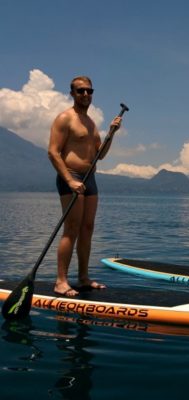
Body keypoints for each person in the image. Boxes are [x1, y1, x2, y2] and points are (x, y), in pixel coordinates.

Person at [48, 76, 122, 296]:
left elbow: (100, 155)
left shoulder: (91, 123)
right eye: (80, 91)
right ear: (72, 93)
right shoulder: (65, 118)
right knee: (71, 229)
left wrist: (111, 134)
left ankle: (83, 277)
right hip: (70, 176)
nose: (86, 95)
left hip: (90, 178)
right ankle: (61, 281)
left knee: (87, 229)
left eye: (89, 91)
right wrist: (69, 180)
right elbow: (53, 152)